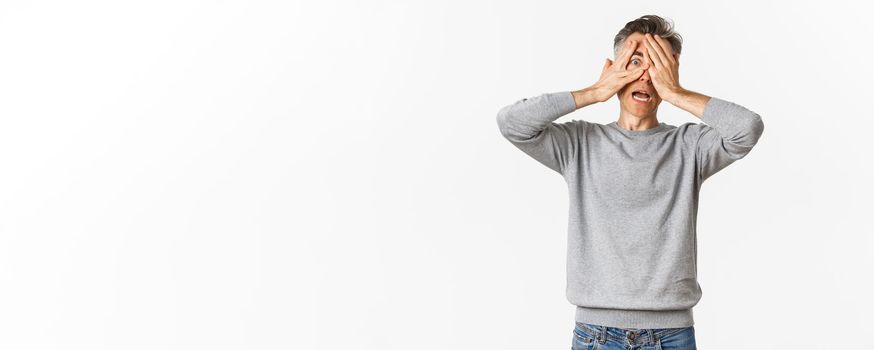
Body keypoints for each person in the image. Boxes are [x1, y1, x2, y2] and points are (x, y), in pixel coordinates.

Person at [495, 15, 764, 350]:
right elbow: (512, 124)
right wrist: (596, 91)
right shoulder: (580, 143)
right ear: (615, 67)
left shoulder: (691, 146)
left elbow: (747, 129)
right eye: (635, 62)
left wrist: (676, 92)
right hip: (596, 333)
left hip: (672, 335)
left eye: (657, 65)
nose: (645, 75)